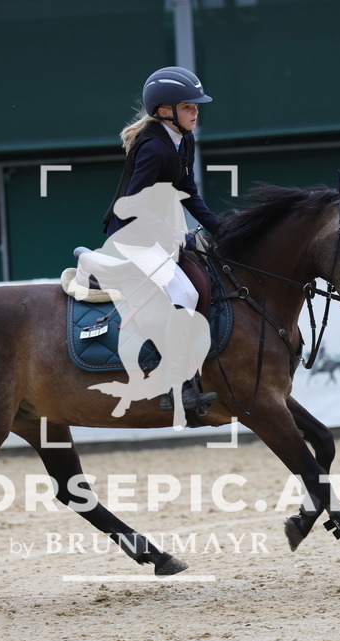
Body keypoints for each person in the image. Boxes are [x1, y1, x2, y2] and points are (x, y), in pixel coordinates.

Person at [100, 65, 220, 416]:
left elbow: (189, 193)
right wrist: (178, 235)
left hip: (157, 233)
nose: (196, 112)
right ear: (165, 111)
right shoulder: (153, 147)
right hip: (130, 235)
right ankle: (174, 387)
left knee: (204, 283)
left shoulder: (185, 140)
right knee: (184, 292)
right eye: (188, 107)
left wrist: (222, 230)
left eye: (197, 107)